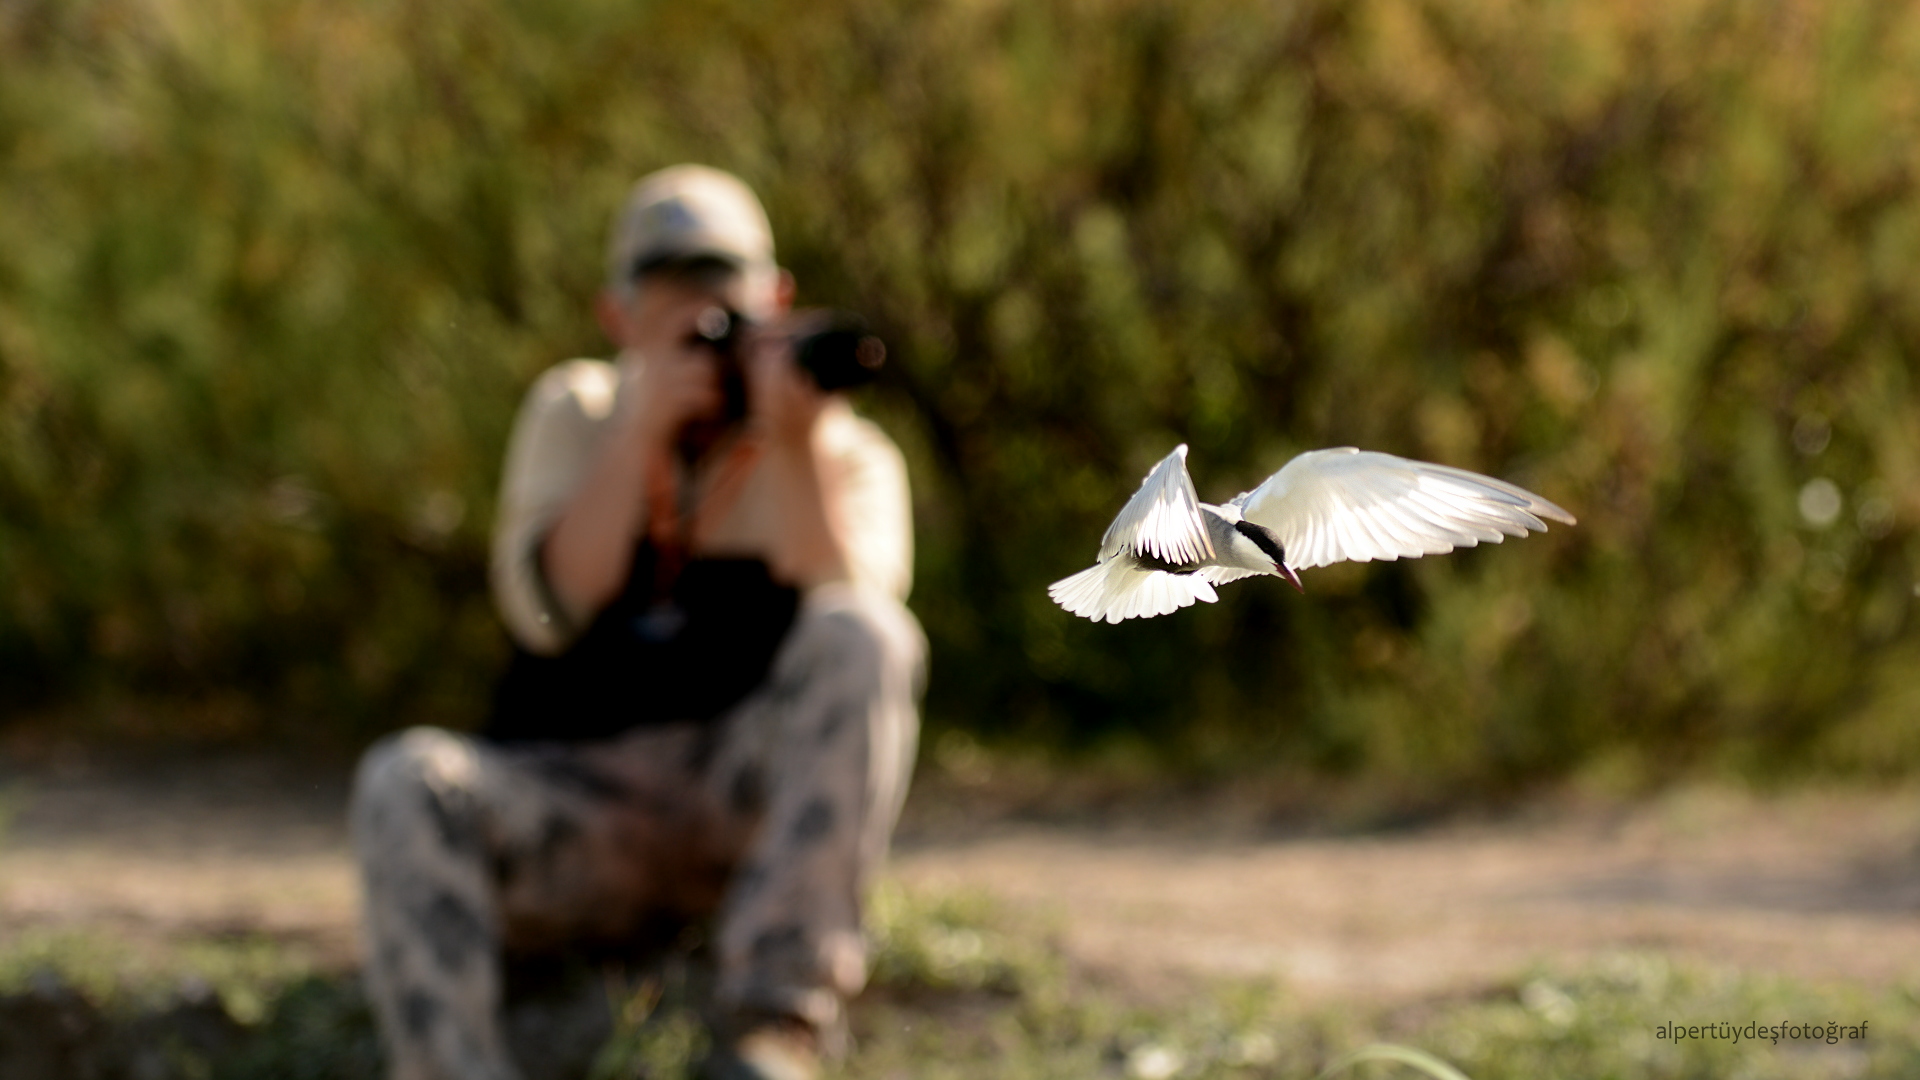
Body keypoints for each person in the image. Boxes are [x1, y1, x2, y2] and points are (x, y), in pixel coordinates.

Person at [348, 165, 924, 1080]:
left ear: (775, 301)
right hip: (582, 813)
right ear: (618, 317)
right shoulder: (576, 412)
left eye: (723, 299)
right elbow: (545, 614)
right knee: (404, 779)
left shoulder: (839, 445)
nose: (702, 326)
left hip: (739, 813)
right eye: (672, 301)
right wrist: (635, 436)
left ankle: (777, 1024)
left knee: (867, 635)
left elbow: (861, 636)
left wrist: (796, 447)